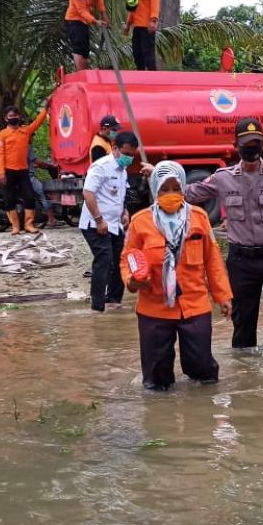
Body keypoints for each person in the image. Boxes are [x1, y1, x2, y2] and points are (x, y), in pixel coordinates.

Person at [184, 117, 263, 348]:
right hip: (241, 261)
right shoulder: (222, 178)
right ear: (235, 145)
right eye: (246, 143)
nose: (251, 148)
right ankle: (246, 368)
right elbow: (189, 194)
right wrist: (161, 180)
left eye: (256, 142)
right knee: (243, 320)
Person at [121, 161, 233, 390]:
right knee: (156, 379)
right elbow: (128, 258)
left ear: (183, 188)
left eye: (176, 189)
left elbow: (212, 260)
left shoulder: (199, 218)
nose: (171, 194)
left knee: (203, 370)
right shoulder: (140, 221)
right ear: (155, 190)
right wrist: (132, 280)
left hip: (194, 304)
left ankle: (201, 417)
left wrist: (223, 296)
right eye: (164, 189)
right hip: (154, 308)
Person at [80, 130, 140, 312]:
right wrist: (99, 220)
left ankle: (113, 300)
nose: (129, 158)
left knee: (120, 259)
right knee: (104, 259)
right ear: (115, 148)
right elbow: (88, 193)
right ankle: (97, 306)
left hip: (115, 224)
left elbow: (120, 195)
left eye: (132, 155)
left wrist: (125, 212)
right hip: (95, 223)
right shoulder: (101, 167)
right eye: (126, 154)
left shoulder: (122, 171)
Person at [0, 104, 47, 235]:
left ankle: (29, 224)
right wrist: (1, 173)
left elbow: (37, 122)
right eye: (11, 116)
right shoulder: (2, 135)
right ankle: (15, 227)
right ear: (6, 119)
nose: (14, 118)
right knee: (9, 199)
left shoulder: (26, 131)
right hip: (8, 172)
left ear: (19, 117)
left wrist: (46, 108)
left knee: (29, 197)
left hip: (23, 171)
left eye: (15, 115)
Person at [64, 0, 108, 70]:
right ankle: (81, 72)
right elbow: (81, 11)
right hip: (74, 21)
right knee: (79, 47)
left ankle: (85, 71)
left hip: (84, 22)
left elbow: (98, 0)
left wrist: (104, 15)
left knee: (85, 49)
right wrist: (95, 21)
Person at [123, 0, 160, 71]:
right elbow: (132, 9)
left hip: (147, 26)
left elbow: (155, 3)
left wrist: (153, 20)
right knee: (137, 54)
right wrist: (128, 25)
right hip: (137, 27)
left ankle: (153, 79)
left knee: (148, 55)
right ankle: (141, 77)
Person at [27, 147, 63, 228]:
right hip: (29, 177)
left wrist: (43, 166)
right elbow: (37, 161)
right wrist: (52, 166)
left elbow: (34, 164)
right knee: (43, 193)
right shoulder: (27, 147)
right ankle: (51, 219)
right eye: (32, 136)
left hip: (22, 176)